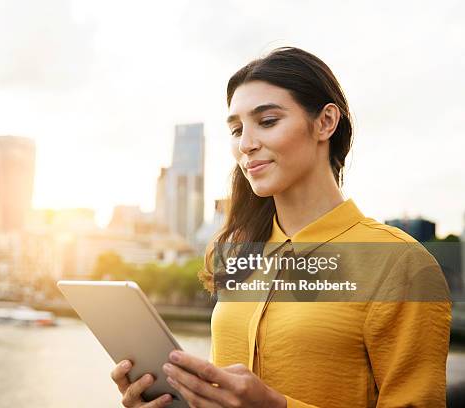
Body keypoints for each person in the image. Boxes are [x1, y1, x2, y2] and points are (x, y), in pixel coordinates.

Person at [110, 47, 452, 407]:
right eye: (237, 129)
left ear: (325, 123)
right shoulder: (238, 255)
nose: (246, 144)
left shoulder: (402, 265)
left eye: (268, 121)